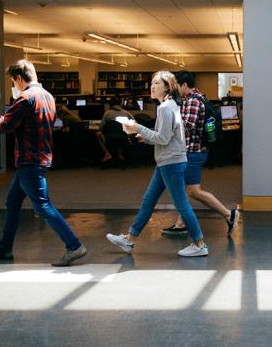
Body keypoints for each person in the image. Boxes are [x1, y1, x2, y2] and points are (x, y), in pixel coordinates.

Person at [0, 59, 87, 267]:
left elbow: (3, 127)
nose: (15, 85)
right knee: (13, 202)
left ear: (19, 78)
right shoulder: (48, 96)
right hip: (40, 157)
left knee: (43, 206)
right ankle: (5, 248)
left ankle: (74, 246)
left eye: (14, 81)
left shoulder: (25, 99)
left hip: (29, 160)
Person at [105, 71, 209, 257]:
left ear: (167, 87)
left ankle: (199, 243)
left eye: (156, 83)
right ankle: (129, 239)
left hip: (171, 162)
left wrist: (137, 127)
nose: (151, 87)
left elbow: (162, 137)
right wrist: (146, 138)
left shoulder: (165, 108)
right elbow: (166, 137)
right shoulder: (170, 105)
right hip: (167, 161)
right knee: (149, 200)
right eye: (151, 83)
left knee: (181, 204)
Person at [161, 70, 239, 237]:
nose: (175, 91)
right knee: (185, 190)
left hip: (193, 152)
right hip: (193, 151)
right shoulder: (194, 99)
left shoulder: (193, 101)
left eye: (176, 87)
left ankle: (228, 214)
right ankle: (181, 223)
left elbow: (187, 126)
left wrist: (169, 116)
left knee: (194, 191)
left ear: (184, 85)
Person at [97, 100, 134, 165]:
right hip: (124, 138)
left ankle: (107, 153)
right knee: (130, 134)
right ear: (120, 104)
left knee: (98, 134)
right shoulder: (127, 113)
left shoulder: (107, 113)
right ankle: (121, 153)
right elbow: (135, 125)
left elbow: (101, 127)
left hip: (110, 138)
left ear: (110, 105)